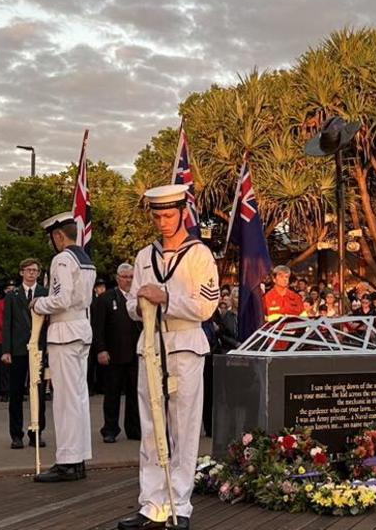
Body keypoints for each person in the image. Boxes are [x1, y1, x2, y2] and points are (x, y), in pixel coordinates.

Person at [118, 184, 220, 530]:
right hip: (150, 346)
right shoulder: (144, 256)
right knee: (150, 428)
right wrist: (142, 303)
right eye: (157, 216)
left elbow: (206, 306)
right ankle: (152, 504)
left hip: (185, 345)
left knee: (183, 428)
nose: (162, 222)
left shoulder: (199, 255)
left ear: (183, 214)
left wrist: (165, 297)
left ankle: (180, 505)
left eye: (169, 215)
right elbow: (132, 304)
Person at [32, 211, 97, 483]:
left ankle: (68, 460)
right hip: (81, 328)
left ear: (59, 236)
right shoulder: (87, 260)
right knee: (78, 397)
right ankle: (78, 458)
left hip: (65, 331)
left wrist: (37, 304)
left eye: (53, 238)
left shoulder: (62, 259)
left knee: (65, 400)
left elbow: (60, 299)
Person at [93, 263, 142, 444]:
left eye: (131, 277)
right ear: (118, 278)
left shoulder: (138, 299)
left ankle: (134, 428)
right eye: (125, 277)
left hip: (135, 353)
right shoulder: (106, 299)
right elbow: (98, 327)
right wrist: (101, 350)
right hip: (113, 353)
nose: (129, 280)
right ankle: (110, 429)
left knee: (135, 394)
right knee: (112, 394)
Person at [2, 260, 48, 449]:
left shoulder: (44, 294)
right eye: (28, 270)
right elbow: (8, 323)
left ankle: (36, 431)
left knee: (38, 391)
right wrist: (6, 350)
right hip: (19, 349)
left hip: (38, 348)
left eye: (35, 271)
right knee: (16, 393)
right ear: (21, 273)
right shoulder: (13, 295)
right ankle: (16, 434)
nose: (31, 274)